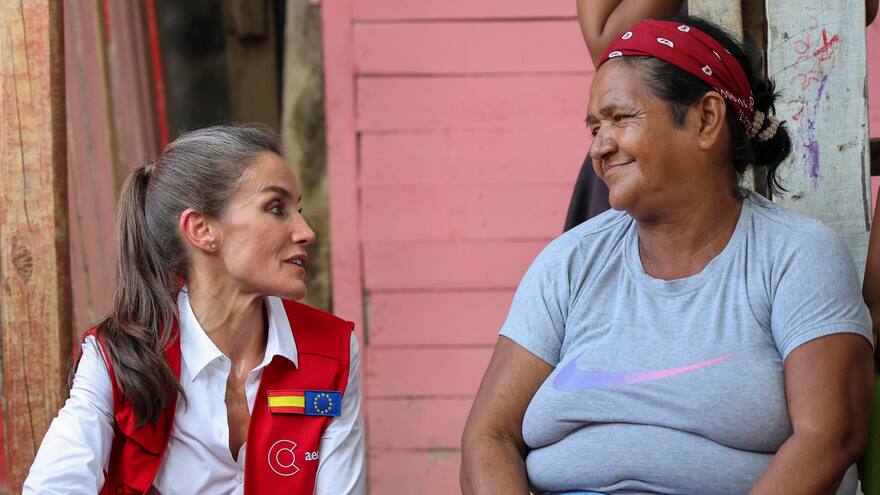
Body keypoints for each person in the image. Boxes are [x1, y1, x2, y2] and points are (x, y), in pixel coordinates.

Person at [461, 16, 875, 495]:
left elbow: (831, 437)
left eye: (621, 118)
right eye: (594, 127)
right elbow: (488, 436)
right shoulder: (569, 263)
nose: (600, 147)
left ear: (705, 120)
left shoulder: (796, 256)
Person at [23, 124, 365, 494]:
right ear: (202, 229)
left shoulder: (335, 351)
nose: (306, 231)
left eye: (296, 210)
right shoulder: (116, 356)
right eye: (276, 208)